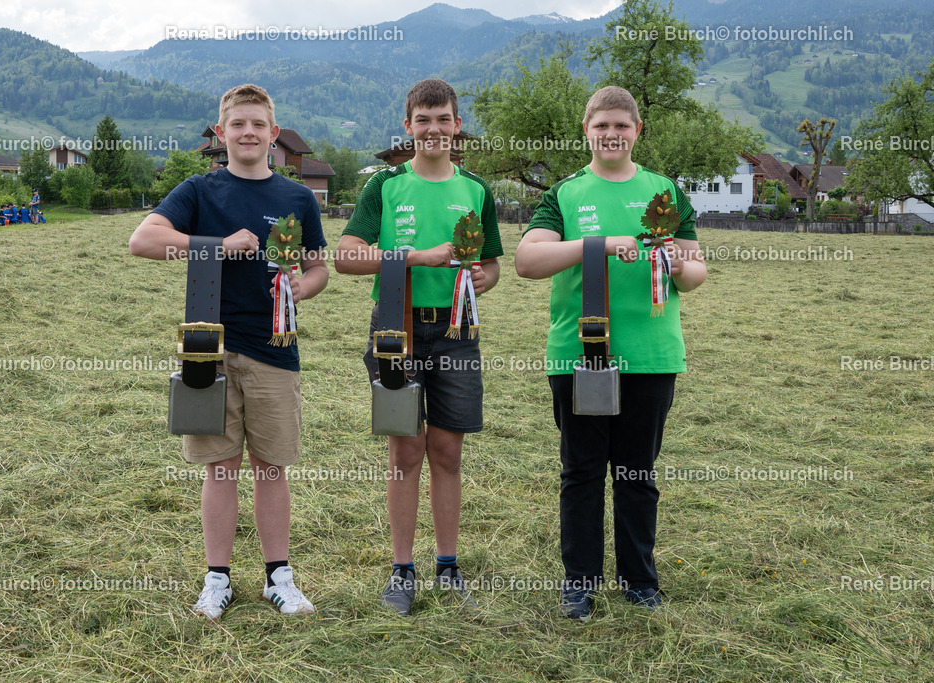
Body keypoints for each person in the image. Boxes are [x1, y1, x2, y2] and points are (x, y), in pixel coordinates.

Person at [129, 83, 328, 621]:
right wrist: (215, 246)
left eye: (258, 125)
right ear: (222, 132)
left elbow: (317, 268)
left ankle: (277, 578)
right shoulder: (199, 190)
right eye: (237, 124)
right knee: (219, 467)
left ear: (273, 133)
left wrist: (296, 289)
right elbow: (143, 241)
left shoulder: (297, 198)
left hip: (274, 352)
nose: (248, 133)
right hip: (207, 353)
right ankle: (217, 578)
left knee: (271, 468)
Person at [515, 86, 707, 619]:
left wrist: (675, 262)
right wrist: (597, 245)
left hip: (650, 355)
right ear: (587, 131)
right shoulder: (565, 194)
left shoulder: (663, 191)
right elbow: (528, 262)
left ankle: (640, 581)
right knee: (581, 472)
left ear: (637, 131)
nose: (612, 134)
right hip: (580, 354)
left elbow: (695, 275)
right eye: (602, 126)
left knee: (637, 473)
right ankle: (579, 582)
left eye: (622, 125)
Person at [334, 78, 503, 616]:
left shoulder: (476, 189)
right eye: (423, 120)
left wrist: (483, 278)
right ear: (408, 128)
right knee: (405, 451)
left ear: (458, 126)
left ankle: (448, 567)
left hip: (456, 333)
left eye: (444, 119)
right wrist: (414, 256)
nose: (434, 129)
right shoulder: (384, 185)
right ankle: (401, 571)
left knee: (448, 452)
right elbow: (346, 256)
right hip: (395, 330)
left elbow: (494, 263)